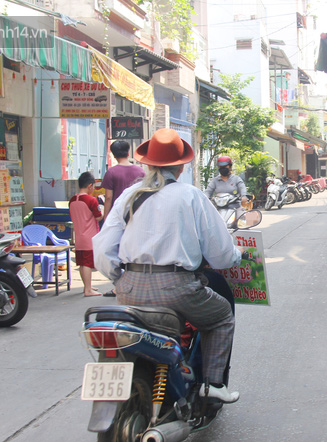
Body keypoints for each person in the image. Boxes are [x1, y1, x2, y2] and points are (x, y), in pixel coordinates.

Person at [93, 128, 242, 403]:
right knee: (221, 317)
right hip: (178, 289)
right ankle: (211, 385)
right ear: (181, 166)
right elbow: (221, 255)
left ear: (148, 163)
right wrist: (237, 256)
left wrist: (120, 279)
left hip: (129, 291)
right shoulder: (191, 196)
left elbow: (102, 250)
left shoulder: (129, 196)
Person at [69, 171, 103, 297]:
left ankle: (86, 286)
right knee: (88, 263)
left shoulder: (72, 200)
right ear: (90, 186)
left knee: (82, 263)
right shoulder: (91, 200)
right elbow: (99, 217)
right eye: (93, 186)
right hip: (89, 236)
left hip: (78, 235)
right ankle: (88, 290)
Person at [101, 140, 145, 220]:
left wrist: (106, 218)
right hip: (137, 213)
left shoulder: (111, 172)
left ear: (114, 155)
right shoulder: (141, 171)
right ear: (128, 154)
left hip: (118, 214)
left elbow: (108, 197)